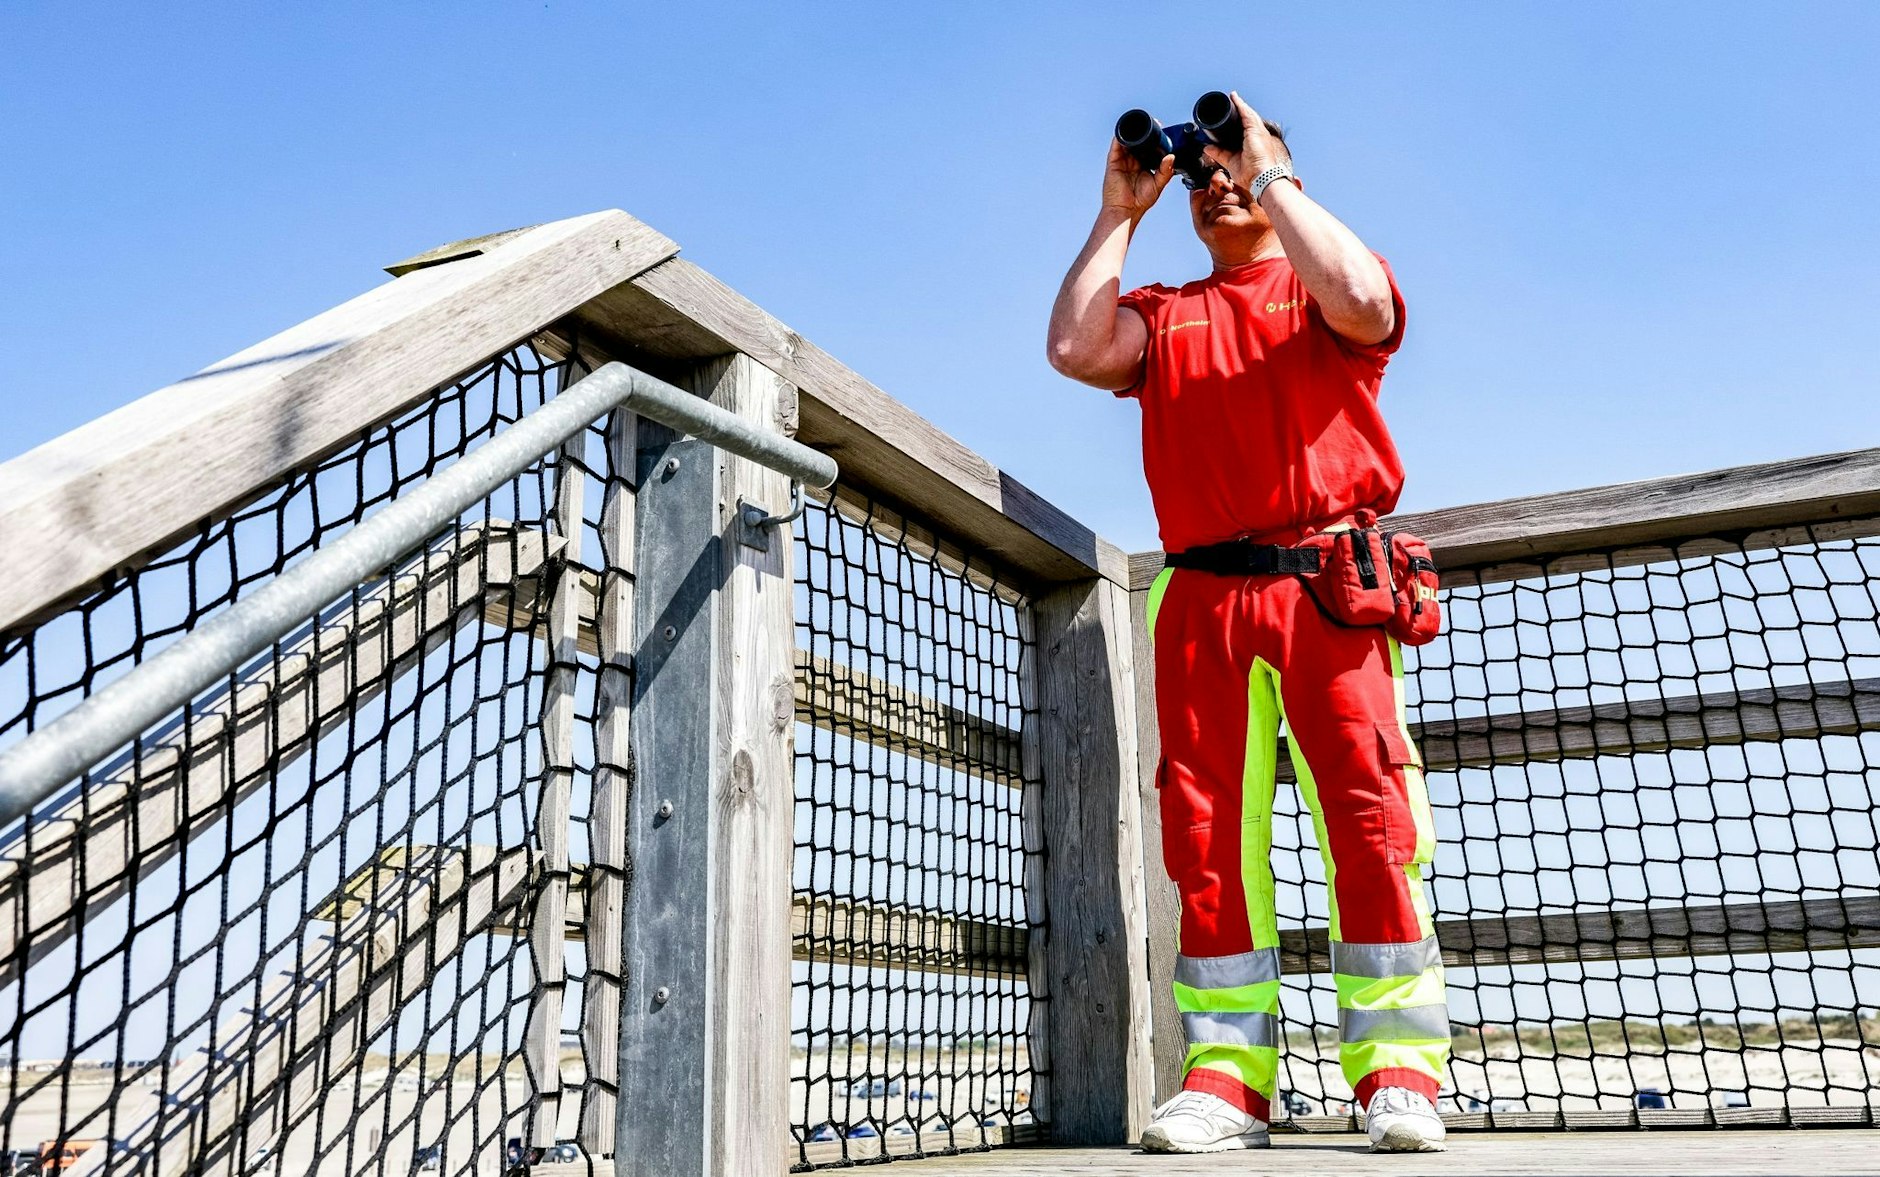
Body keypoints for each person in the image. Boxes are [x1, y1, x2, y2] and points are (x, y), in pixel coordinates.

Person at [1045, 91, 1448, 1154]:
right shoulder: (1167, 312)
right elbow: (1075, 347)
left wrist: (1266, 166)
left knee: (1371, 820)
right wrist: (1120, 210)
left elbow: (1364, 299)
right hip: (1200, 597)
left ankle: (1398, 1073)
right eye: (1201, 171)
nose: (1214, 180)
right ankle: (1226, 1080)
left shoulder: (1320, 288)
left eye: (1235, 162)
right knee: (1206, 837)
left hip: (1327, 588)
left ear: (1278, 173)